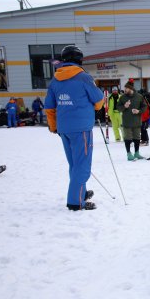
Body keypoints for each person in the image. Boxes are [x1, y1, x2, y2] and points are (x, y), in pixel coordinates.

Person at [44, 45, 105, 211]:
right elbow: (99, 101)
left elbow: (49, 107)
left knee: (74, 164)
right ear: (79, 59)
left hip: (64, 128)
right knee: (83, 165)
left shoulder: (55, 80)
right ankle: (76, 202)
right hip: (81, 127)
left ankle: (81, 192)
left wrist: (54, 126)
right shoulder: (83, 77)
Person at [117, 81, 147, 160]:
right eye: (125, 88)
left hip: (137, 121)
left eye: (126, 88)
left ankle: (136, 153)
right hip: (127, 122)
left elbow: (144, 107)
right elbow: (118, 108)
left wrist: (139, 111)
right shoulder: (122, 97)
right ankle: (129, 154)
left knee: (137, 137)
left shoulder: (139, 96)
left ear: (131, 88)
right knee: (127, 138)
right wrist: (124, 106)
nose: (125, 89)